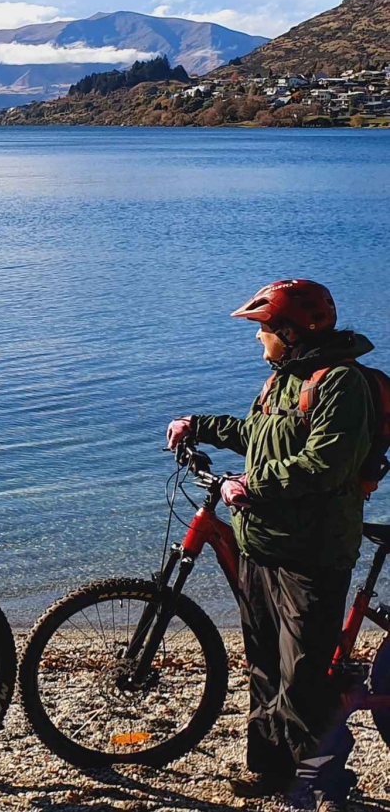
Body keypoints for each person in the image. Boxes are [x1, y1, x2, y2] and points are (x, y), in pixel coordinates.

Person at [167, 279, 377, 812]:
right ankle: (271, 770)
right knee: (263, 667)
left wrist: (250, 486)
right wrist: (201, 425)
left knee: (303, 675)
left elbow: (324, 464)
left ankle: (324, 785)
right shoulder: (282, 381)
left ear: (290, 331)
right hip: (260, 544)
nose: (259, 339)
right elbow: (260, 437)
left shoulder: (339, 384)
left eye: (264, 329)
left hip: (312, 553)